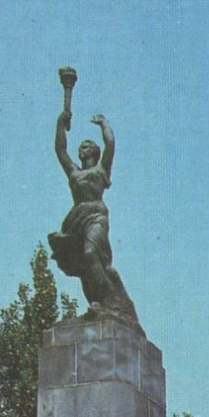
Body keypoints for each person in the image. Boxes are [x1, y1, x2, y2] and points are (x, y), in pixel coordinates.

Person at [48, 111, 141, 329]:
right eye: (81, 146)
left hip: (97, 215)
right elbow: (60, 149)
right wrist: (60, 123)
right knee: (83, 266)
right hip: (76, 220)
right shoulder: (73, 172)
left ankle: (109, 302)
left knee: (91, 254)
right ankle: (97, 304)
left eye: (87, 145)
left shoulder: (102, 169)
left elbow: (110, 144)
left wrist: (103, 124)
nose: (82, 147)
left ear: (95, 152)